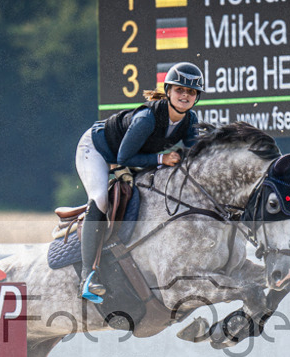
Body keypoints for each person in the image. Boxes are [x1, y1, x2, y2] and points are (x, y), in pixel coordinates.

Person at [75, 62, 205, 303]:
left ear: (197, 97)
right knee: (100, 198)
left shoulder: (190, 120)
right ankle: (87, 276)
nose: (185, 95)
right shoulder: (147, 118)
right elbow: (123, 159)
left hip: (126, 157)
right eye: (179, 90)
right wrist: (161, 158)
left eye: (191, 92)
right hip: (97, 151)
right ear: (168, 91)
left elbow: (194, 155)